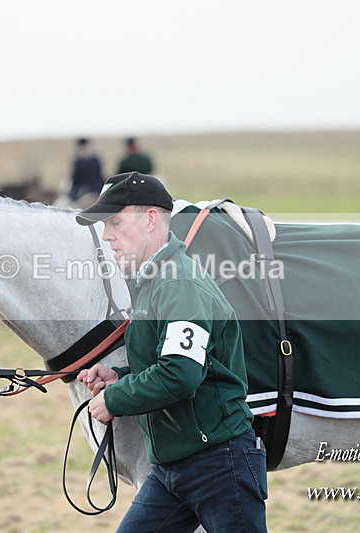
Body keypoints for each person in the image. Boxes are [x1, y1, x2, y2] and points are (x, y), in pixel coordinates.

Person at [75, 172, 267, 532]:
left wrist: (114, 399)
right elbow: (172, 362)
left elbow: (180, 374)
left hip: (218, 465)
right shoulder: (153, 281)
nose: (106, 235)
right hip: (171, 469)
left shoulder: (179, 283)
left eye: (115, 222)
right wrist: (119, 377)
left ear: (150, 219)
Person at [67, 137, 104, 202]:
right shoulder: (78, 162)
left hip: (95, 189)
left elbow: (100, 177)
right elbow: (74, 180)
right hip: (82, 190)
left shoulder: (95, 161)